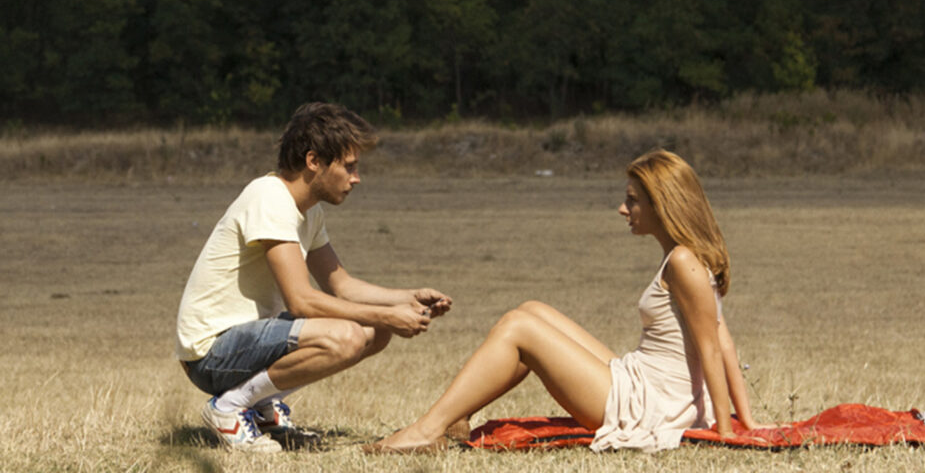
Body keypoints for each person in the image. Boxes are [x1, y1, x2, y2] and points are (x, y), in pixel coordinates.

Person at [366, 148, 763, 454]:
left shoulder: (682, 262)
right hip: (644, 383)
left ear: (662, 205)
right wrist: (745, 421)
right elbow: (722, 339)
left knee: (519, 328)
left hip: (650, 404)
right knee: (532, 310)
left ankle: (426, 430)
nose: (622, 209)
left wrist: (728, 431)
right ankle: (458, 415)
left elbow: (714, 348)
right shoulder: (685, 257)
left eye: (632, 200)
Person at [174, 102, 452, 453]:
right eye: (349, 166)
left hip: (246, 342)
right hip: (210, 356)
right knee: (348, 336)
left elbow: (341, 286)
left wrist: (408, 299)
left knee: (375, 331)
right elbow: (301, 301)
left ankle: (261, 407)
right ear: (313, 161)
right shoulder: (270, 198)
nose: (356, 178)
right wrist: (387, 314)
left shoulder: (309, 211)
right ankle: (229, 407)